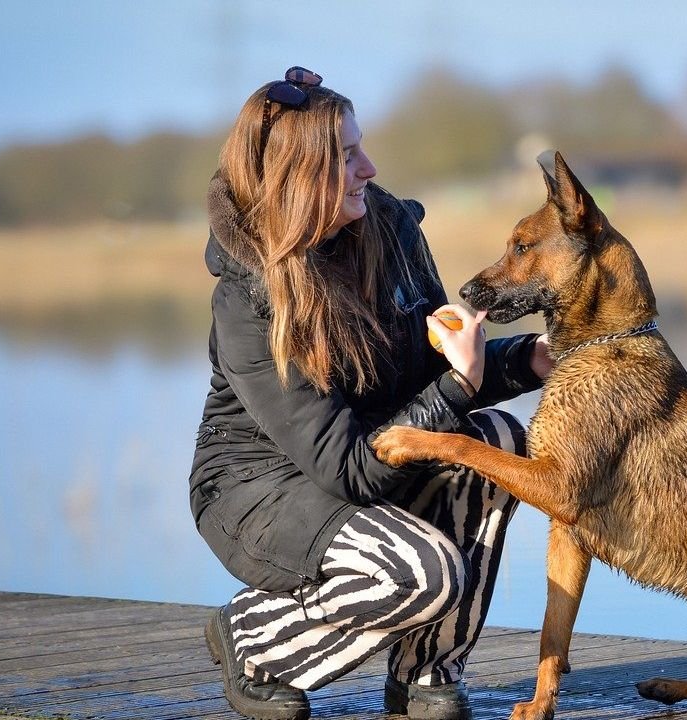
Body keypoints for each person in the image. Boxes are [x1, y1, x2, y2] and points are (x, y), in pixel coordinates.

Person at [188, 67, 551, 720]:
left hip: (364, 456)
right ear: (300, 178)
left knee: (498, 440)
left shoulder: (390, 230)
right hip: (257, 487)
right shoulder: (250, 303)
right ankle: (255, 637)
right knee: (422, 572)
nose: (369, 166)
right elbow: (351, 467)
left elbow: (435, 370)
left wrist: (532, 359)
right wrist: (459, 383)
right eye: (347, 155)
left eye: (361, 147)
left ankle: (426, 673)